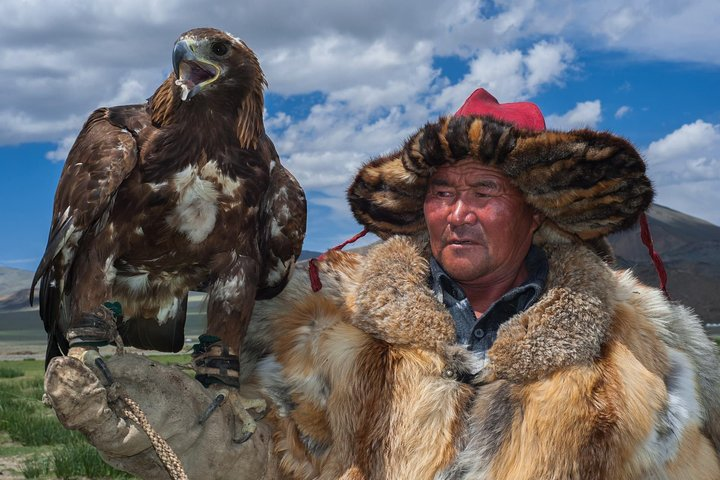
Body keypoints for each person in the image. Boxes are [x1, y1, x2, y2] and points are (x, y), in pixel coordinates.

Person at [44, 89, 720, 479]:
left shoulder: (635, 361)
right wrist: (152, 423)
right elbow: (265, 464)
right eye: (441, 191)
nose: (455, 212)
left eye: (483, 191)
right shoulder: (335, 333)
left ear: (534, 208)